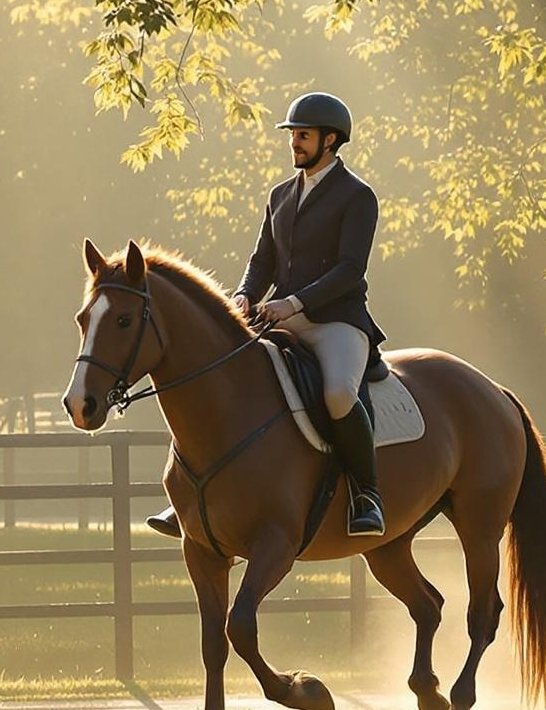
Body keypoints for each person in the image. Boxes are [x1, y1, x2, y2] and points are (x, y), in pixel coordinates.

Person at [147, 91, 388, 540]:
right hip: (278, 317)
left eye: (304, 135)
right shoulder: (279, 195)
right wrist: (242, 295)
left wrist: (293, 304)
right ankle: (190, 496)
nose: (294, 142)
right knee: (223, 376)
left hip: (337, 321)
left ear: (331, 140)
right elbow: (262, 262)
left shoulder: (358, 196)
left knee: (337, 394)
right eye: (293, 135)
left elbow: (349, 269)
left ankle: (366, 493)